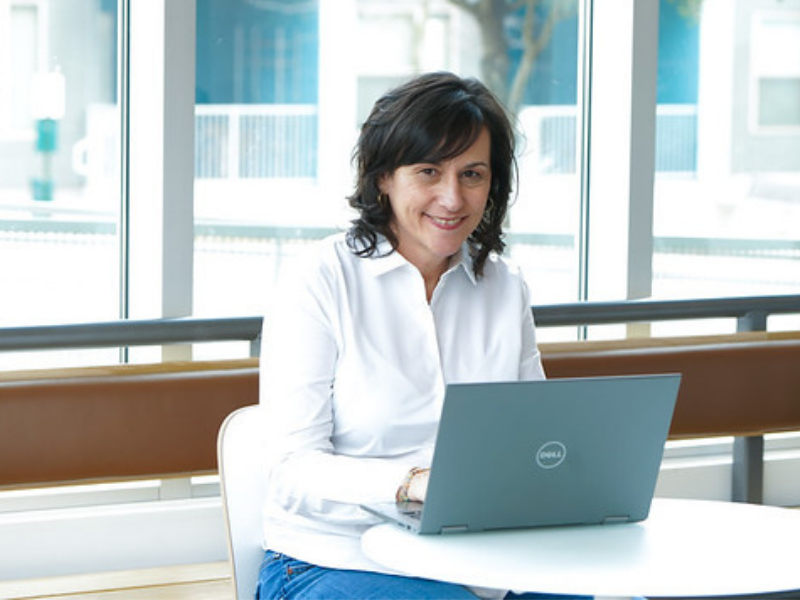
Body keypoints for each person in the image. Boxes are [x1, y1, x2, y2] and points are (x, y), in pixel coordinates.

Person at [257, 72, 590, 600]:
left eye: (472, 174)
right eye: (428, 171)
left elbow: (531, 439)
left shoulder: (505, 286)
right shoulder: (320, 278)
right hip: (337, 559)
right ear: (383, 178)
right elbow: (290, 470)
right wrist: (412, 483)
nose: (452, 198)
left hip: (482, 558)